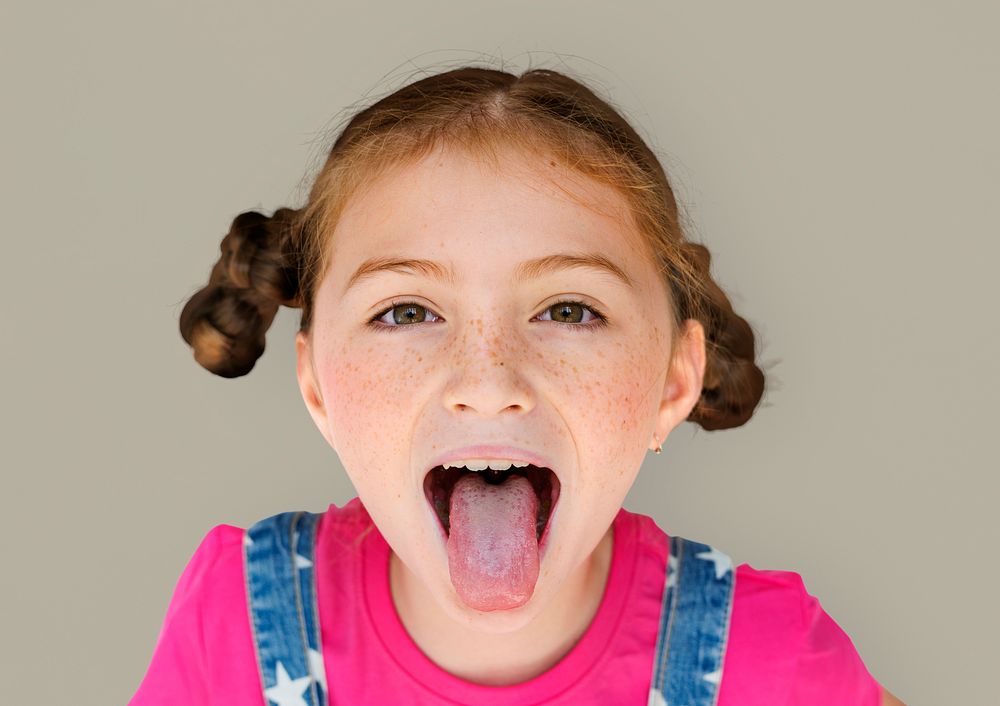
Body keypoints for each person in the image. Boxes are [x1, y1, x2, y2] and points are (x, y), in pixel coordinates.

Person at [129, 65, 906, 705]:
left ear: (674, 381)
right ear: (317, 387)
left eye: (569, 309)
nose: (489, 382)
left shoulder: (770, 664)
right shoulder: (236, 630)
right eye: (406, 311)